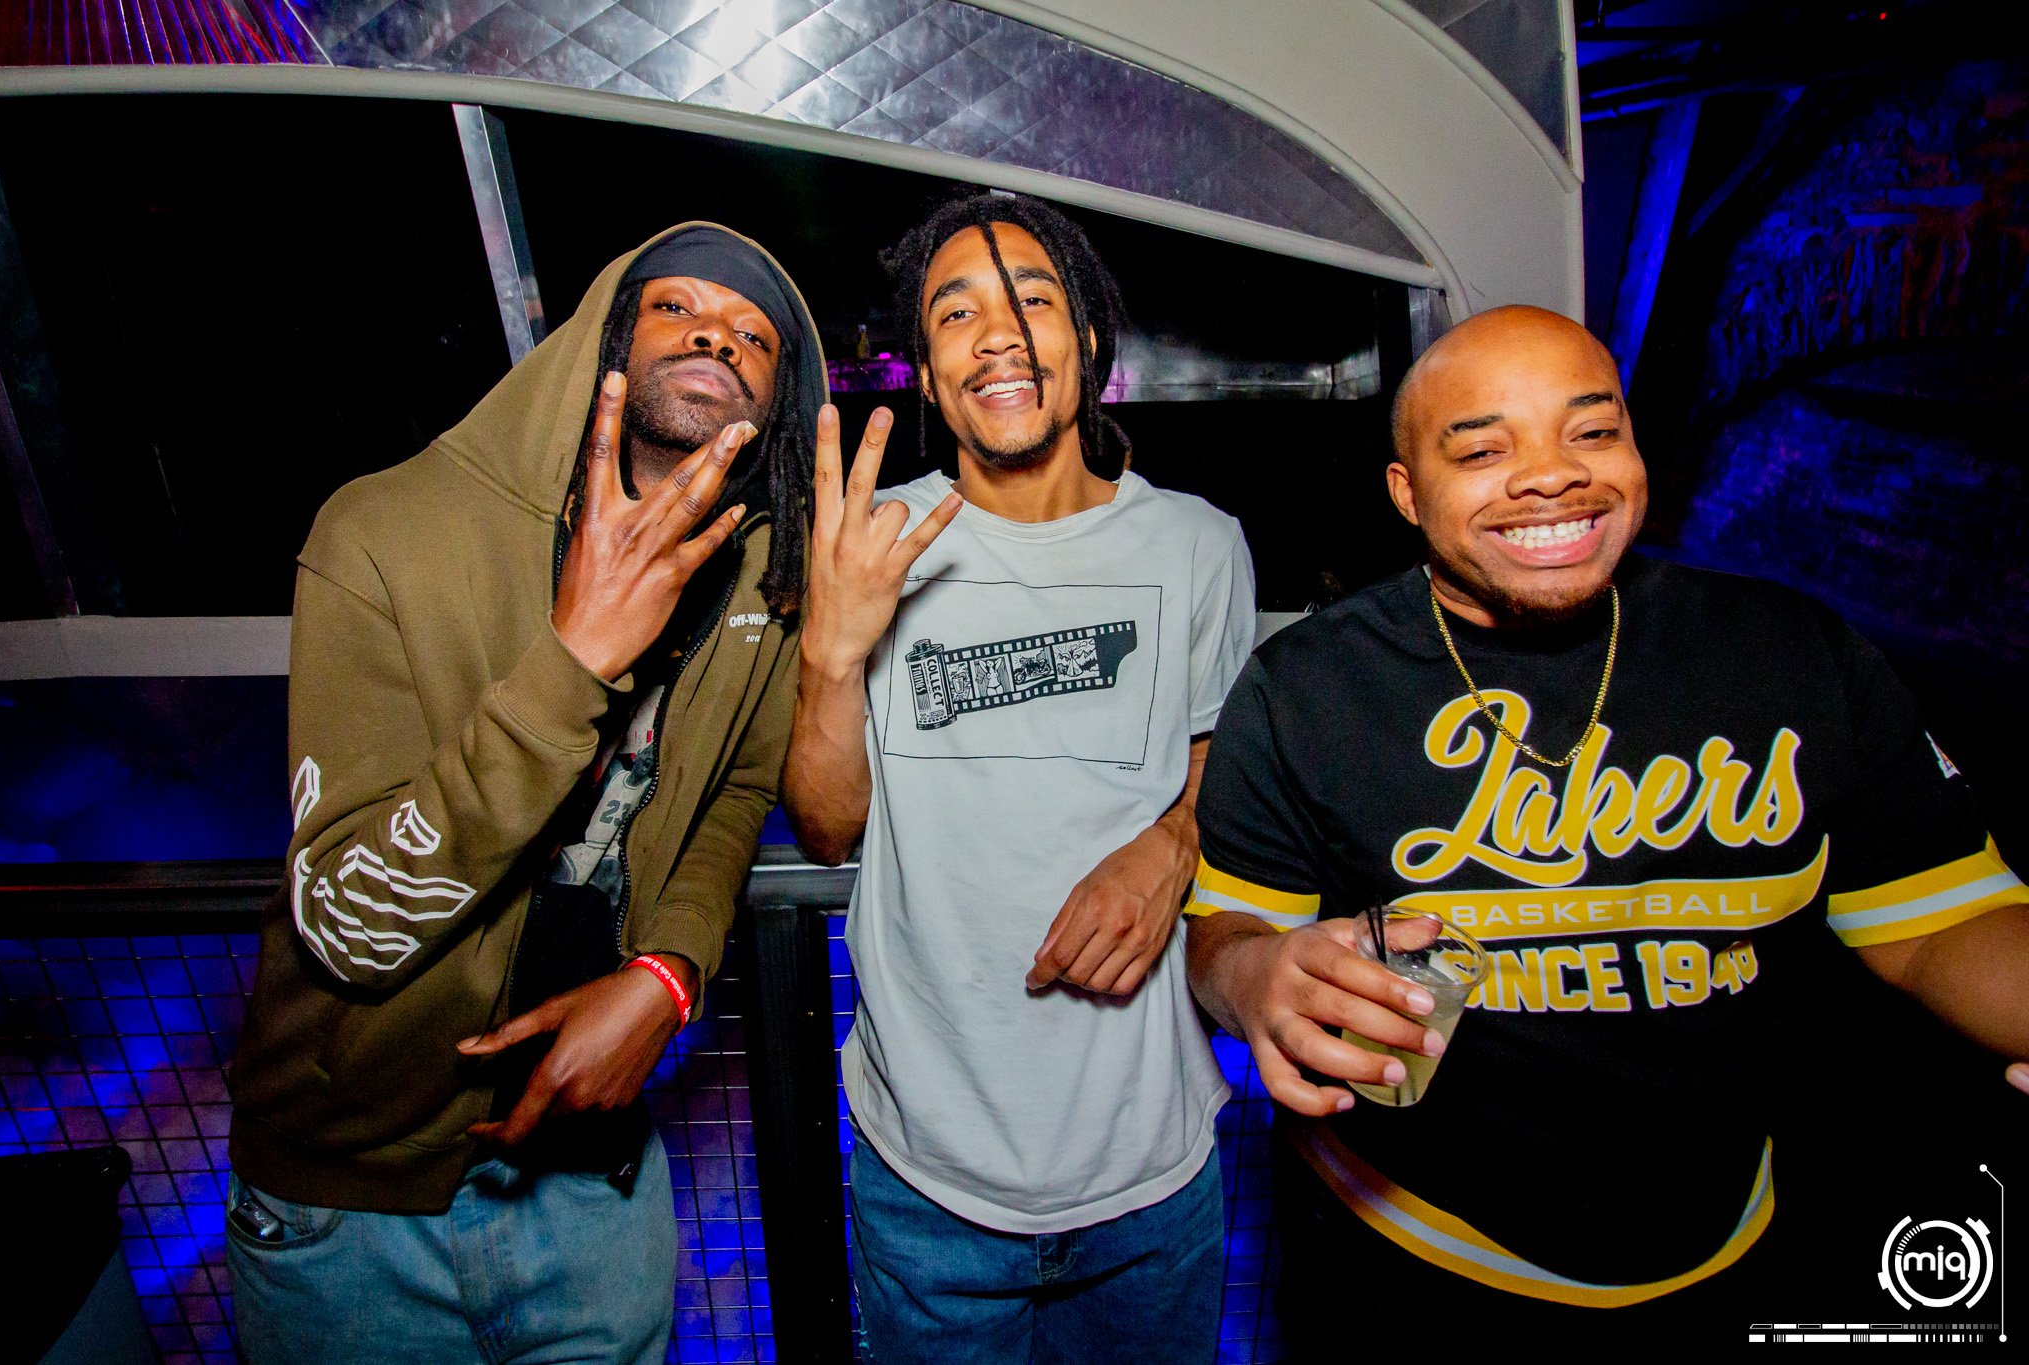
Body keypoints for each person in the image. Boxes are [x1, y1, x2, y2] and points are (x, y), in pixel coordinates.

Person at [1183, 304, 2029, 1348]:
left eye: (1590, 431)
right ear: (1407, 491)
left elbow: (1941, 921)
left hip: (1736, 1240)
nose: (1551, 474)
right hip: (1412, 1256)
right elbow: (1224, 935)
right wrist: (1254, 979)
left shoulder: (1788, 653)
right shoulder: (1307, 687)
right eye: (1482, 450)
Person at [224, 224, 826, 1362]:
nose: (716, 336)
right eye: (678, 308)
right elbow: (350, 928)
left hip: (593, 1175)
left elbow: (739, 789)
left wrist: (668, 974)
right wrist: (573, 663)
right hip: (352, 1209)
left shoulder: (762, 573)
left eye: (754, 337)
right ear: (608, 335)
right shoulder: (388, 531)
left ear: (780, 399)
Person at [783, 192, 1255, 1364]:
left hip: (1149, 1172)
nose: (995, 334)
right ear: (927, 372)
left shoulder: (1198, 546)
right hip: (927, 1180)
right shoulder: (870, 542)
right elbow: (827, 831)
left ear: (1086, 341)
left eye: (1030, 301)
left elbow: (1216, 758)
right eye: (955, 314)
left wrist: (1172, 841)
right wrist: (829, 655)